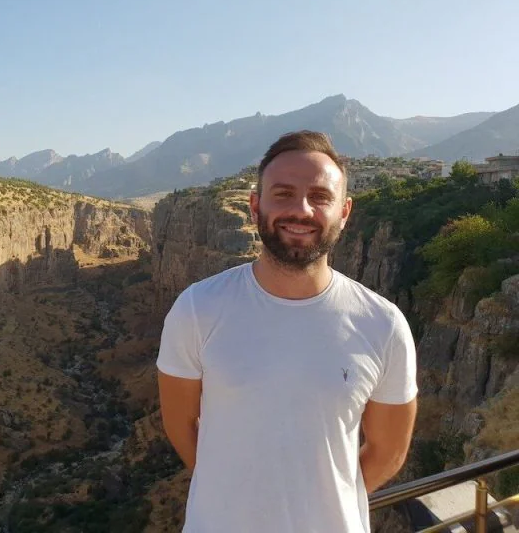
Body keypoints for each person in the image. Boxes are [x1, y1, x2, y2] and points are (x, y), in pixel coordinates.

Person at [156, 131, 418, 533]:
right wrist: (233, 492)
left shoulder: (383, 325)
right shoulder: (197, 309)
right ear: (255, 205)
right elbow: (180, 425)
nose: (302, 210)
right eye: (283, 194)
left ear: (344, 212)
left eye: (320, 196)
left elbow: (389, 451)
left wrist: (319, 502)